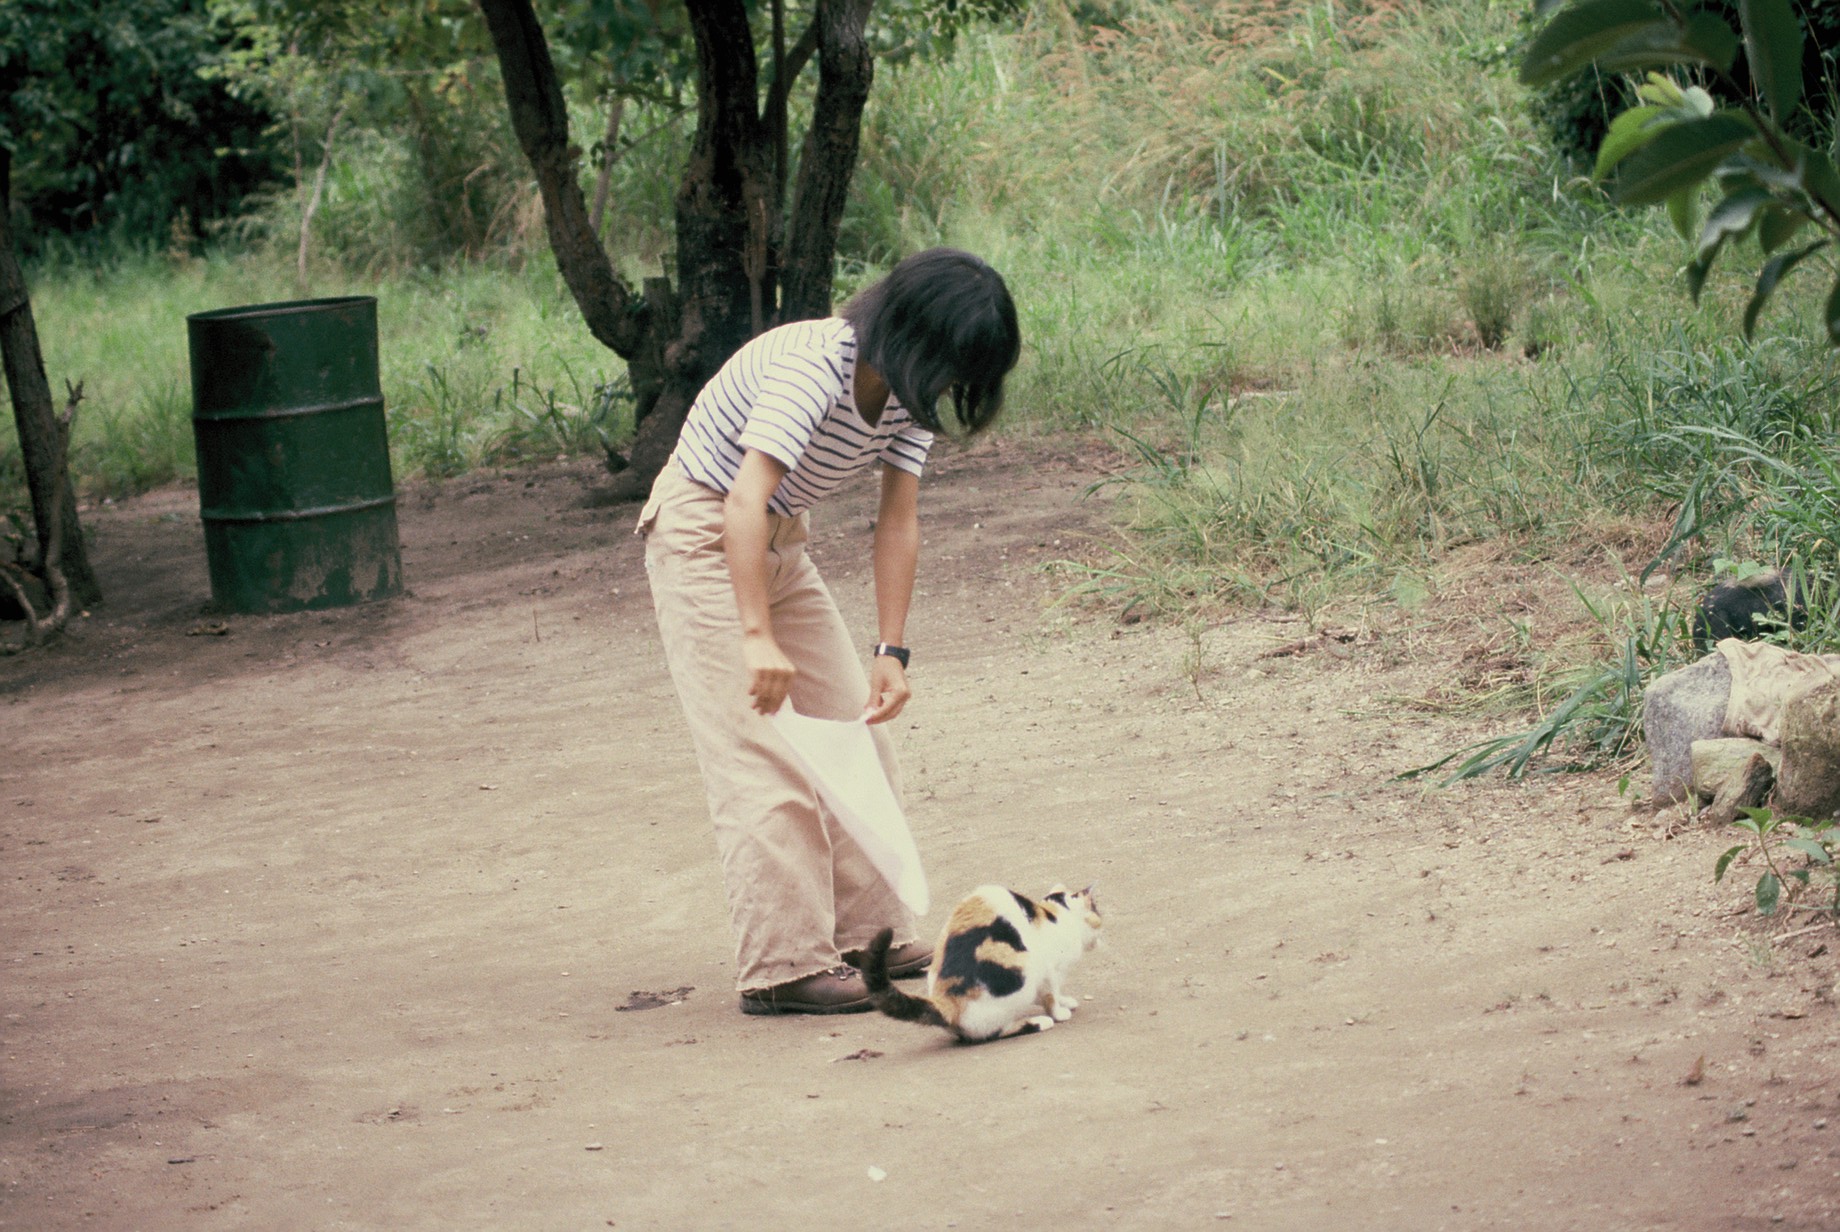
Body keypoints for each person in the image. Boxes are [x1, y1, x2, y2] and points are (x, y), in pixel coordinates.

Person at [636, 248, 1021, 1015]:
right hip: (705, 529)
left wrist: (891, 650)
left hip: (777, 540)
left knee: (857, 729)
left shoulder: (909, 395)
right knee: (763, 753)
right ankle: (782, 968)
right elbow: (742, 502)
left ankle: (869, 935)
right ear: (918, 338)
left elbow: (898, 518)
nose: (954, 388)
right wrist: (755, 637)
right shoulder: (816, 366)